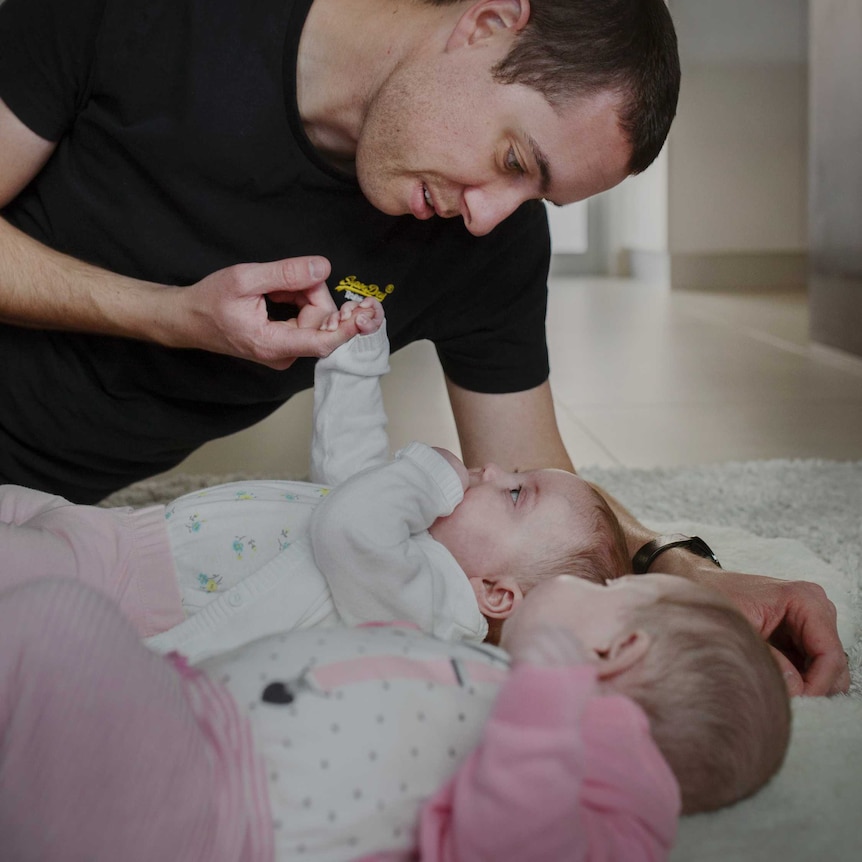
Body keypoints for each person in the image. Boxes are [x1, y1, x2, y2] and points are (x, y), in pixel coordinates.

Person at [0, 0, 848, 696]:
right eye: (514, 157)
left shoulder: (486, 243)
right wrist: (170, 315)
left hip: (42, 520)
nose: (489, 216)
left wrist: (684, 577)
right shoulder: (150, 19)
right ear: (486, 22)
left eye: (533, 196)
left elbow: (540, 487)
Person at [0, 571, 790, 861]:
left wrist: (548, 706)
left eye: (611, 588)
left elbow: (517, 844)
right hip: (184, 719)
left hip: (210, 812)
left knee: (57, 622)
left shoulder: (606, 770)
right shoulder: (501, 671)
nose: (585, 579)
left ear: (616, 647)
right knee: (61, 637)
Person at [0, 300, 628, 663]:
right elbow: (350, 466)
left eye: (515, 492)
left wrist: (428, 471)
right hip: (117, 538)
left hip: (127, 591)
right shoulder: (405, 538)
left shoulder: (429, 607)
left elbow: (346, 525)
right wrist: (354, 360)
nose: (490, 468)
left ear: (496, 595)